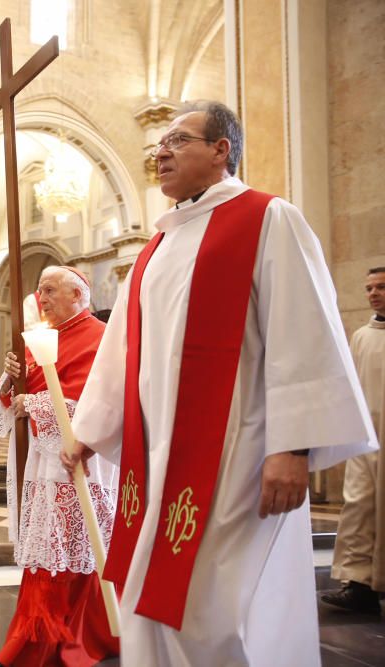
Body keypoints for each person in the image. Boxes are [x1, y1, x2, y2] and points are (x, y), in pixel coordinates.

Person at [60, 101, 377, 666]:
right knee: (145, 592)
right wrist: (90, 427)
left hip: (237, 453)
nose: (161, 152)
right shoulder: (155, 248)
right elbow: (121, 348)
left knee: (214, 605)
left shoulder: (268, 218)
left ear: (220, 150)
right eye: (159, 144)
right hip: (154, 458)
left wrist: (292, 446)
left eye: (178, 141)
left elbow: (303, 332)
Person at [0, 266, 118, 666]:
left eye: (49, 290)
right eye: (39, 291)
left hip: (81, 464)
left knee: (72, 554)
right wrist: (12, 383)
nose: (40, 298)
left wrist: (35, 404)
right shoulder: (43, 339)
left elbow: (104, 407)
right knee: (52, 552)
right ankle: (45, 640)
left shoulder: (102, 339)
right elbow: (18, 396)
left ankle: (54, 643)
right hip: (43, 463)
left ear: (79, 296)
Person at [323, 268, 385, 614]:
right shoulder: (362, 336)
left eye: (381, 287)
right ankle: (358, 585)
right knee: (359, 505)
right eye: (369, 288)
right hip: (367, 440)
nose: (373, 293)